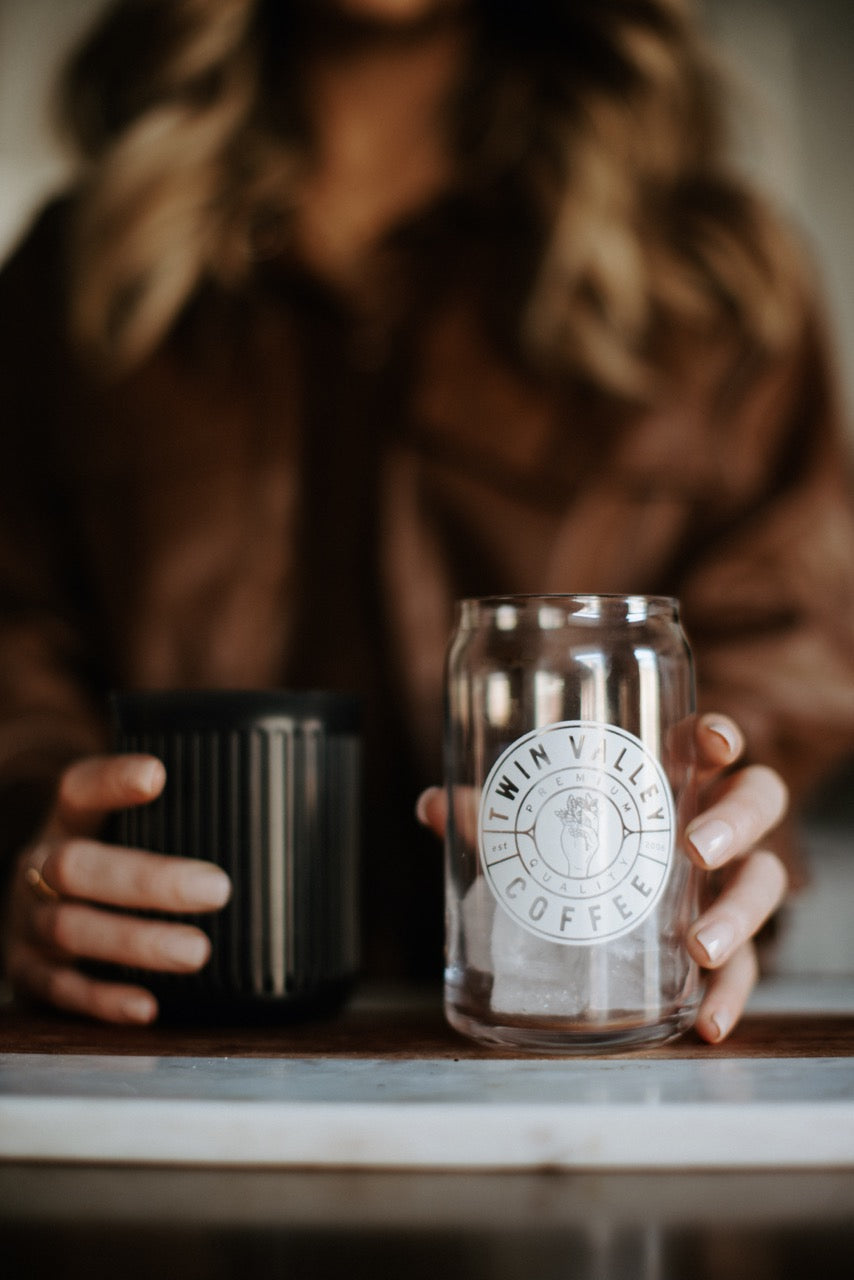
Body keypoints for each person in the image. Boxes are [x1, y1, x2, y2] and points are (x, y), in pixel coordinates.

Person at [1, 0, 853, 1040]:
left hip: (580, 1031)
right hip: (167, 1031)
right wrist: (31, 847)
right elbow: (16, 635)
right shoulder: (75, 271)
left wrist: (716, 827)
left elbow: (784, 646)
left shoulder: (714, 274)